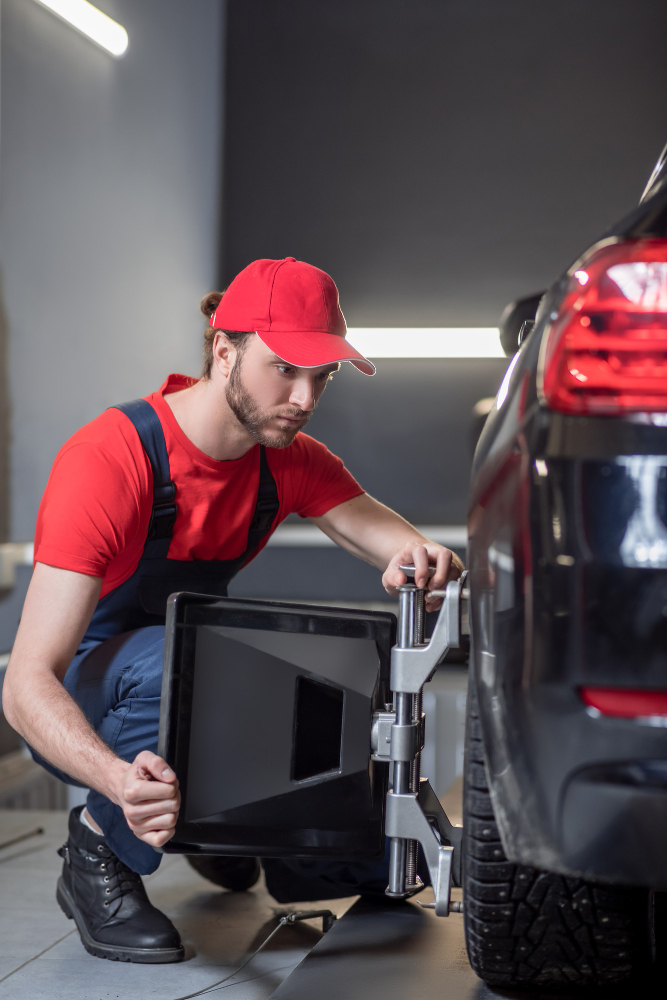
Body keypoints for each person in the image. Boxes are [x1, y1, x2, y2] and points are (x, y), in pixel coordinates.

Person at [3, 257, 463, 964]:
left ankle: (253, 841)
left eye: (323, 377)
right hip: (82, 700)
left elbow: (397, 545)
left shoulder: (289, 458)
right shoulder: (112, 457)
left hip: (179, 677)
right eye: (286, 369)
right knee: (192, 664)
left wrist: (425, 563)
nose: (305, 397)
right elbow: (27, 682)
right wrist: (117, 781)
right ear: (225, 350)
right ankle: (98, 851)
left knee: (304, 661)